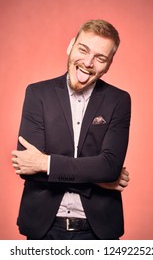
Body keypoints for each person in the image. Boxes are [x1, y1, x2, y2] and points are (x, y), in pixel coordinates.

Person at [12, 19, 131, 240]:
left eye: (100, 58)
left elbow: (109, 168)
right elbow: (27, 169)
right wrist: (100, 179)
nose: (88, 62)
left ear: (109, 64)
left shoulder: (119, 100)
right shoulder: (37, 94)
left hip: (99, 231)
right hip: (43, 229)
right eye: (83, 49)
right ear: (71, 46)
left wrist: (45, 163)